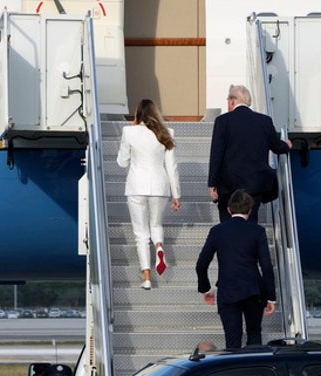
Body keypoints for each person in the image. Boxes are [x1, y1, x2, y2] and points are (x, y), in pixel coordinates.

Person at [196, 189, 277, 349]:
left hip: (228, 291)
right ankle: (255, 370)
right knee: (254, 334)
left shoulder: (217, 231)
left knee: (232, 341)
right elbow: (266, 266)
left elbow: (201, 264)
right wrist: (270, 297)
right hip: (253, 290)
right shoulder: (258, 231)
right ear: (250, 210)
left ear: (229, 209)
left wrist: (206, 289)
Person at [117, 98, 181, 289]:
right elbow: (172, 167)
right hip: (160, 187)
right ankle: (159, 246)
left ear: (138, 114)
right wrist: (176, 195)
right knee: (156, 225)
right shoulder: (166, 133)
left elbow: (122, 161)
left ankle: (146, 277)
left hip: (137, 187)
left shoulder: (129, 132)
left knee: (140, 233)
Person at [207, 84, 293, 224]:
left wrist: (212, 184)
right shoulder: (264, 121)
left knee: (227, 225)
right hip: (254, 185)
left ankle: (229, 245)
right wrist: (286, 146)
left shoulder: (223, 121)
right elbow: (276, 146)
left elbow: (216, 153)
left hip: (228, 186)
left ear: (232, 101)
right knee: (251, 224)